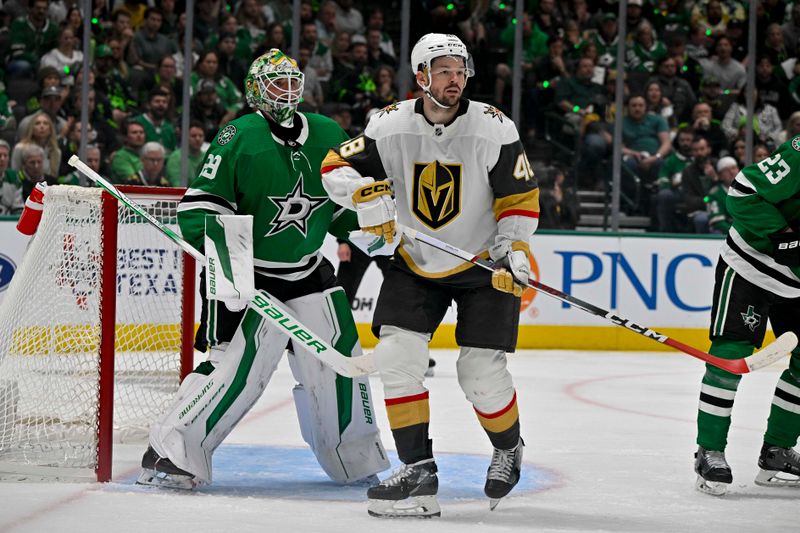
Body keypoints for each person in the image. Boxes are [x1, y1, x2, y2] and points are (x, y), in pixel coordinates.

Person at [137, 49, 389, 490]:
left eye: (293, 81)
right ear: (255, 91)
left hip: (308, 270)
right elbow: (201, 208)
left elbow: (341, 207)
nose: (287, 90)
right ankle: (172, 451)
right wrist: (227, 266)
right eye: (276, 83)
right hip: (245, 273)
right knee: (237, 368)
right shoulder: (238, 134)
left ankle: (352, 453)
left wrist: (377, 229)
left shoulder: (328, 132)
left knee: (339, 359)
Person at [321, 33, 537, 517]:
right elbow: (334, 166)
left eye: (460, 70)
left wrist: (514, 252)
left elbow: (518, 199)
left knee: (479, 371)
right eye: (443, 70)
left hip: (484, 262)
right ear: (421, 77)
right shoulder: (389, 125)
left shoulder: (494, 128)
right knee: (397, 355)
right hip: (416, 261)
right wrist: (363, 193)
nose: (454, 79)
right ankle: (418, 471)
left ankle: (508, 447)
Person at [693, 133, 800, 496]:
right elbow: (741, 191)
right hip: (751, 265)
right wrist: (782, 236)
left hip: (796, 282)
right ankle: (709, 450)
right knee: (730, 354)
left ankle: (776, 451)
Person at [705, 155, 737, 234]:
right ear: (720, 176)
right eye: (726, 170)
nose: (732, 172)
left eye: (733, 168)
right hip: (727, 232)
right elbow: (718, 223)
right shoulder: (715, 194)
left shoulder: (749, 189)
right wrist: (737, 233)